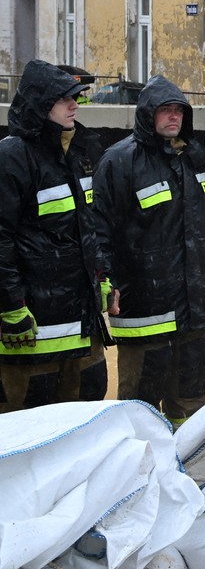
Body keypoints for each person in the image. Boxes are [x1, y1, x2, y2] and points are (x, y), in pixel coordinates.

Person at [93, 75, 205, 426]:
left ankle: (189, 469)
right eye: (165, 111)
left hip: (191, 304)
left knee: (191, 396)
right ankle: (143, 472)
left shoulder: (190, 157)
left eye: (178, 111)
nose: (173, 118)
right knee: (142, 402)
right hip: (144, 303)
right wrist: (107, 280)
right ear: (147, 115)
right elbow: (101, 228)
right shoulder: (120, 161)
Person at [0, 61, 110, 411]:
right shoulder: (12, 156)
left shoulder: (78, 152)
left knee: (86, 407)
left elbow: (89, 226)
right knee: (28, 422)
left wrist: (101, 277)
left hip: (80, 319)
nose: (75, 105)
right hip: (33, 325)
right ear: (39, 104)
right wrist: (11, 306)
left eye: (77, 97)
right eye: (65, 99)